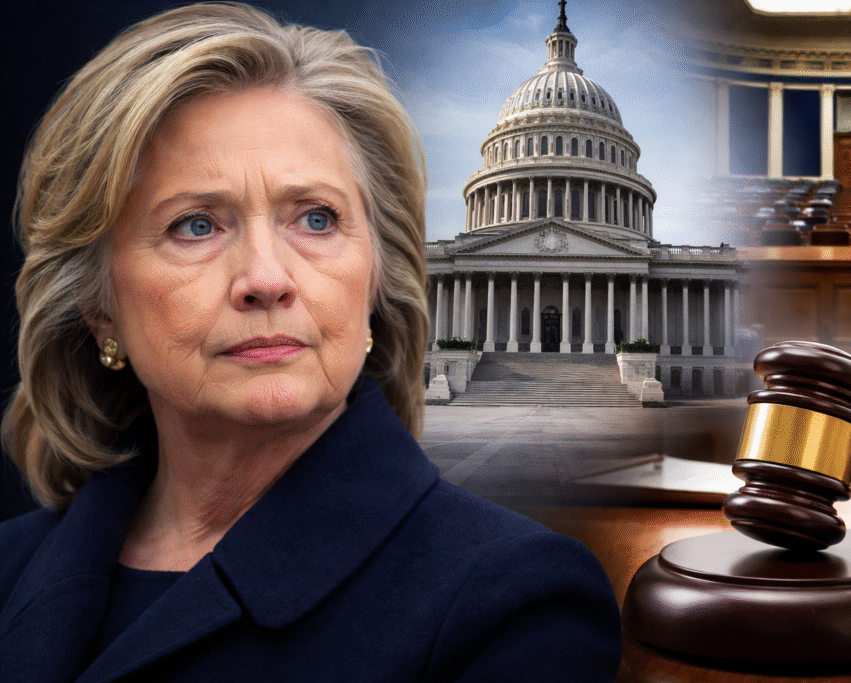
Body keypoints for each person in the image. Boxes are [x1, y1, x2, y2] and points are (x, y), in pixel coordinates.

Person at [0, 4, 621, 680]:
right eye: (196, 225)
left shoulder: (516, 603)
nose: (266, 279)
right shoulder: (9, 566)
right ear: (99, 308)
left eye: (316, 218)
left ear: (376, 278)